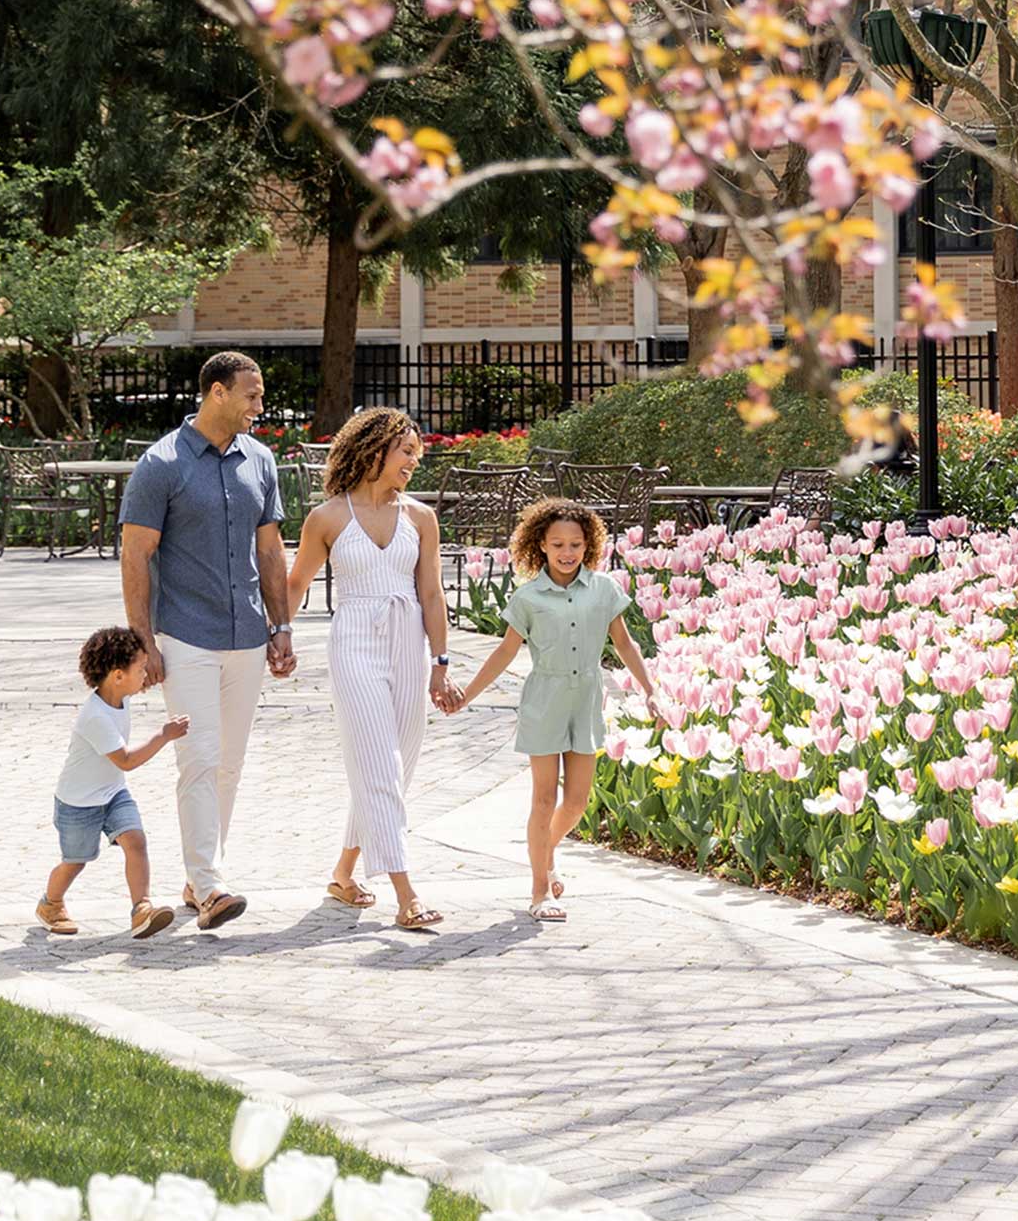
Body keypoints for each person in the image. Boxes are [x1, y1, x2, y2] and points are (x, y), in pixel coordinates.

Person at [118, 351, 295, 931]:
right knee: (199, 758)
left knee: (230, 764)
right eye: (252, 394)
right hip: (185, 632)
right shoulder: (161, 463)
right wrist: (144, 641)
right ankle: (213, 884)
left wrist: (281, 625)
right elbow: (136, 555)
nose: (259, 406)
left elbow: (269, 549)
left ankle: (199, 881)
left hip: (246, 631)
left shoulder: (260, 460)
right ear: (217, 392)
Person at [442, 497, 662, 921]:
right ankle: (540, 890)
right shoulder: (528, 597)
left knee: (577, 803)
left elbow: (624, 643)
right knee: (544, 800)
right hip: (544, 702)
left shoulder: (604, 589)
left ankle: (546, 851)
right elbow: (505, 652)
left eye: (575, 545)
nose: (567, 553)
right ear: (540, 544)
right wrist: (467, 695)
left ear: (589, 546)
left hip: (586, 700)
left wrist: (650, 688)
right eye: (558, 544)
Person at [283, 407, 450, 930]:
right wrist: (277, 637)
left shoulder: (421, 517)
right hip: (353, 637)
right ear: (375, 448)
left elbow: (431, 592)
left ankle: (343, 874)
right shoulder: (328, 517)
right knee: (379, 764)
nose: (413, 463)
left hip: (409, 641)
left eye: (416, 454)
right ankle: (406, 892)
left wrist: (441, 663)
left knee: (395, 766)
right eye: (406, 451)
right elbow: (296, 585)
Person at [40, 626, 187, 939]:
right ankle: (50, 904)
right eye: (140, 669)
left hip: (114, 793)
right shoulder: (95, 716)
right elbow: (126, 760)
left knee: (136, 841)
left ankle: (141, 909)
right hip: (78, 803)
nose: (145, 674)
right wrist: (163, 736)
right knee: (76, 861)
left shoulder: (120, 698)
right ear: (117, 675)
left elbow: (120, 767)